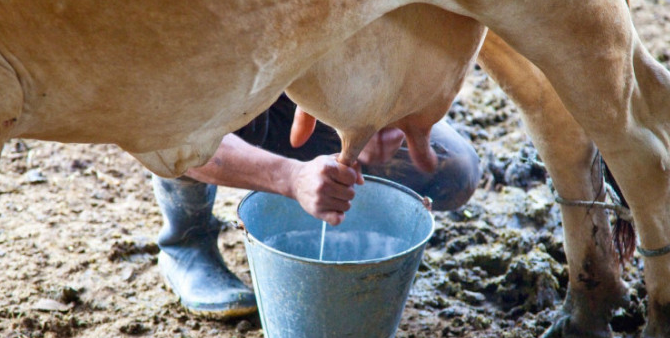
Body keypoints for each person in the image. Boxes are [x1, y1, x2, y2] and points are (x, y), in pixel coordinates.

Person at [152, 93, 481, 318]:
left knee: (453, 169)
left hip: (301, 94)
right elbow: (166, 134)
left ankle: (349, 237)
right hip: (211, 100)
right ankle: (186, 243)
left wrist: (386, 103)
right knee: (181, 126)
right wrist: (290, 178)